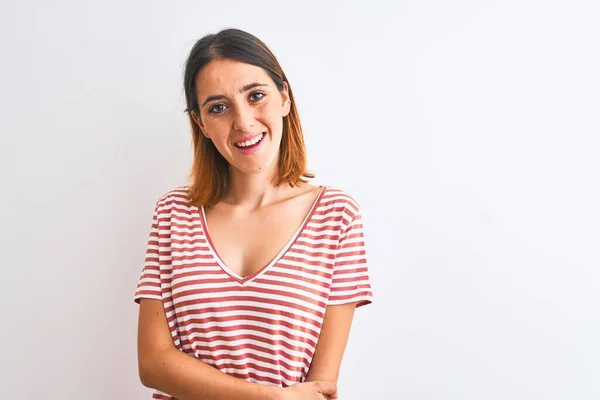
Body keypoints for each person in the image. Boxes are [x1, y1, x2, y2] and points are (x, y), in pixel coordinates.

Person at [134, 28, 374, 400]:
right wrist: (271, 397)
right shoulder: (173, 214)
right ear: (200, 123)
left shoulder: (336, 216)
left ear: (284, 97)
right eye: (218, 107)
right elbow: (153, 364)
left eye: (256, 96)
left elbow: (321, 387)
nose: (243, 122)